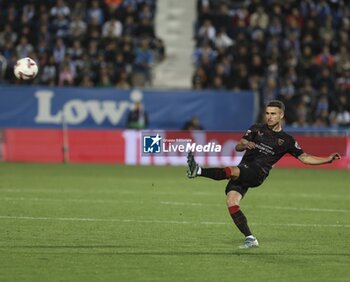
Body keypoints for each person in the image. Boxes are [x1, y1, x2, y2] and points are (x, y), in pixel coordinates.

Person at [186, 100, 341, 249]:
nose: (269, 116)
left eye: (273, 113)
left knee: (232, 171)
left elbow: (305, 158)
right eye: (267, 113)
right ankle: (250, 238)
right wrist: (245, 144)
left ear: (281, 115)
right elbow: (238, 147)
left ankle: (198, 170)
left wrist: (327, 159)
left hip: (258, 173)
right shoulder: (256, 129)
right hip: (244, 169)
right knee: (231, 202)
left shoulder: (287, 140)